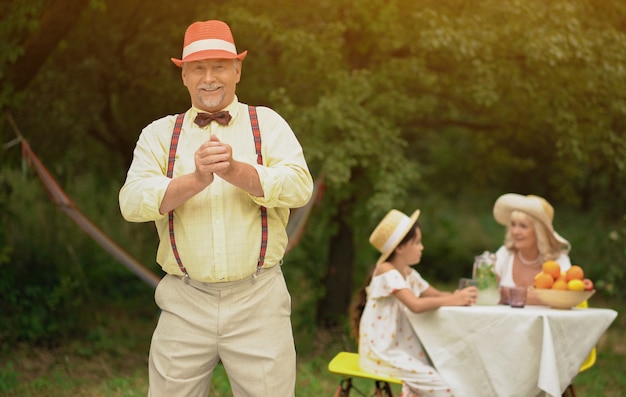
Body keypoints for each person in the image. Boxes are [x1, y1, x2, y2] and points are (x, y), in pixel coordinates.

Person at [118, 20, 313, 397]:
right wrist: (194, 181)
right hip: (184, 299)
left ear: (237, 70)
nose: (209, 78)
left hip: (259, 297)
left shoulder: (267, 124)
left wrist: (237, 171)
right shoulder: (159, 134)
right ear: (184, 76)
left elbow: (299, 186)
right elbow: (131, 202)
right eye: (198, 68)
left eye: (219, 66)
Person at [351, 209, 477, 397]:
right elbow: (415, 305)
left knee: (453, 372)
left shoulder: (408, 273)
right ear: (399, 248)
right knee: (443, 387)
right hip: (382, 352)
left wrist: (460, 296)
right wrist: (453, 299)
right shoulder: (386, 271)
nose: (421, 247)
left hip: (401, 348)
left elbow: (436, 294)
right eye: (416, 242)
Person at [492, 193, 572, 305]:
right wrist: (538, 298)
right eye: (513, 224)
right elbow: (488, 291)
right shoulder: (505, 254)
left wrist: (508, 294)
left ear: (540, 232)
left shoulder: (559, 260)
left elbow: (564, 297)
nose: (515, 232)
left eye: (523, 226)